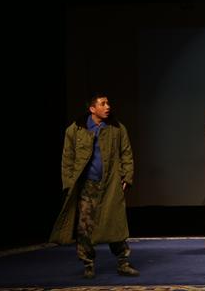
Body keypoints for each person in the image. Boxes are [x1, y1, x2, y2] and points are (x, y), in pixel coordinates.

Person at [50, 93, 139, 279]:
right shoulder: (76, 129)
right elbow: (67, 158)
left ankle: (123, 262)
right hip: (87, 186)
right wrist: (69, 184)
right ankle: (88, 264)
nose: (108, 107)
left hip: (111, 184)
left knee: (115, 223)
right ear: (92, 109)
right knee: (84, 227)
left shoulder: (116, 128)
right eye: (103, 104)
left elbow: (126, 154)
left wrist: (127, 177)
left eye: (108, 103)